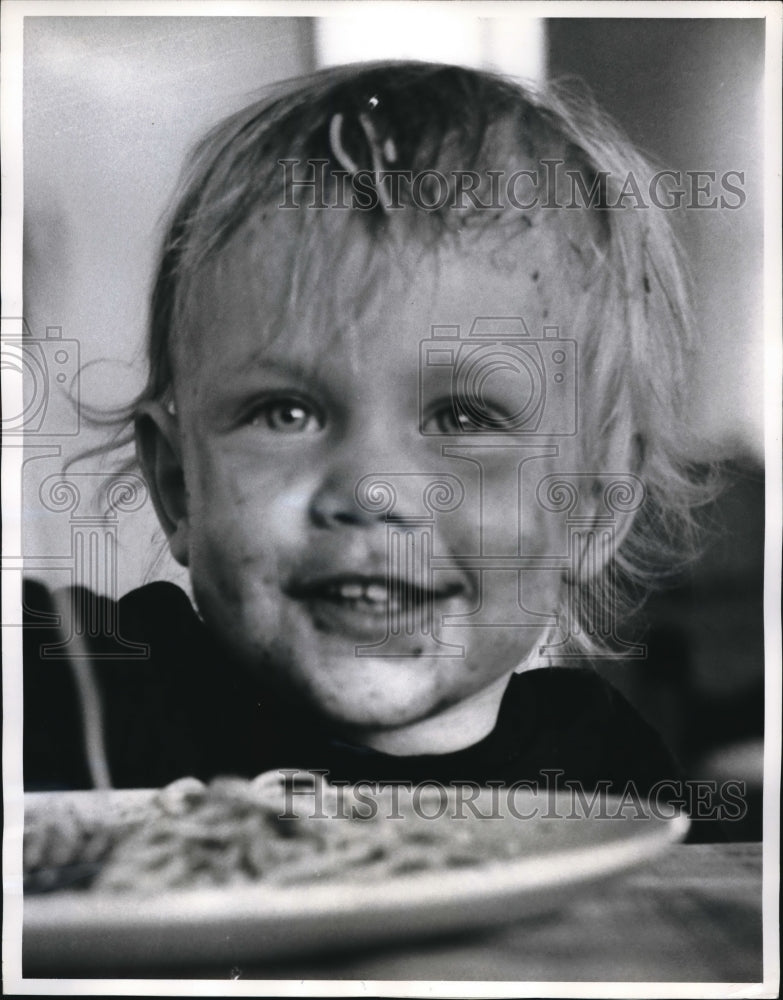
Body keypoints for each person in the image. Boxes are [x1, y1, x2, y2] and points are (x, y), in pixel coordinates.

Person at [24, 61, 712, 798]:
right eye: (285, 413)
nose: (371, 488)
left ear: (591, 511)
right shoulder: (88, 692)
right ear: (177, 483)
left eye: (462, 417)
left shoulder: (607, 776)